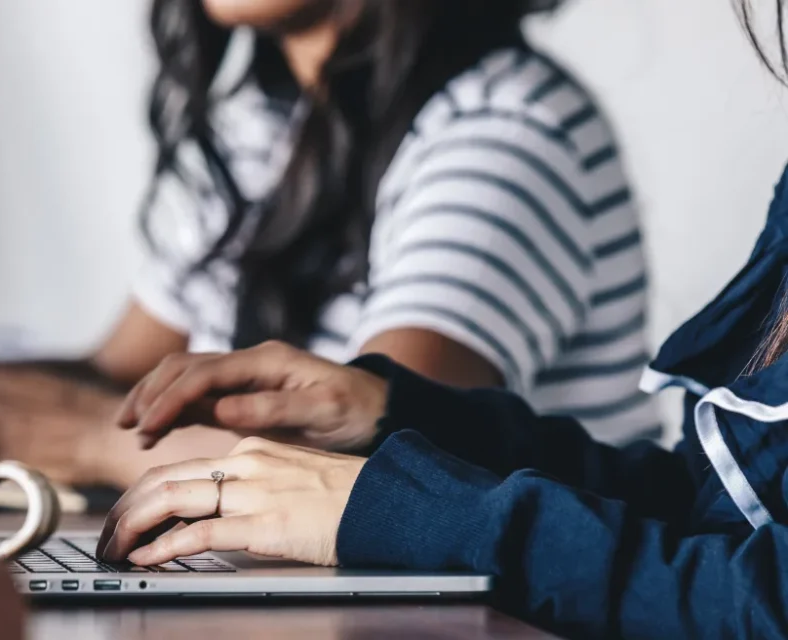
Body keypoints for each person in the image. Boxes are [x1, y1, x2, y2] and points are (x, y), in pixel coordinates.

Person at [93, 4, 788, 637]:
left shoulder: (507, 122)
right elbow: (708, 514)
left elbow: (760, 603)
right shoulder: (253, 123)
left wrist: (394, 505)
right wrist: (393, 411)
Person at [0, 0, 656, 486]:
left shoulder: (505, 129)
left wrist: (77, 438)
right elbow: (119, 377)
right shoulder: (258, 125)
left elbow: (395, 461)